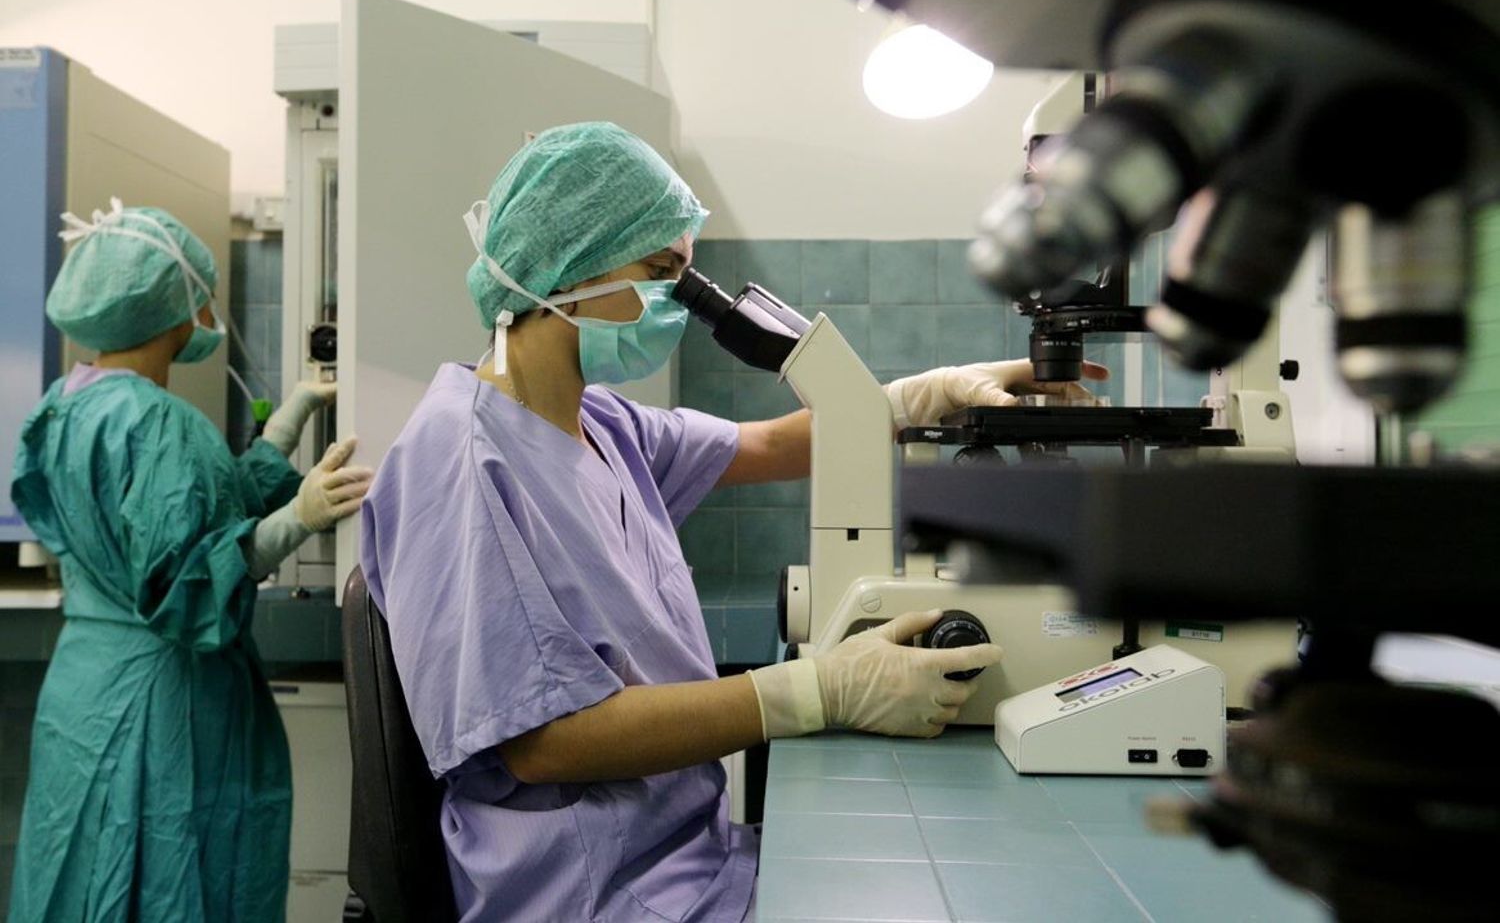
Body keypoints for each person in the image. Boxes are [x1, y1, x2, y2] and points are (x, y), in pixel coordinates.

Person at [360, 123, 1106, 922]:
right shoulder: (462, 460)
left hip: (683, 857)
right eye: (659, 274)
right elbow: (544, 743)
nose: (677, 302)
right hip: (588, 892)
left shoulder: (601, 424)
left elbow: (769, 443)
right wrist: (814, 692)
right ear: (568, 270)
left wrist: (922, 395)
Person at [8, 200, 372, 923]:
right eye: (197, 298)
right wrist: (298, 519)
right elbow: (186, 583)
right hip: (161, 701)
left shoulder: (66, 407)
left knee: (80, 879)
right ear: (171, 308)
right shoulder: (158, 422)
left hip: (87, 690)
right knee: (169, 884)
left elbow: (197, 507)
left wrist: (292, 417)